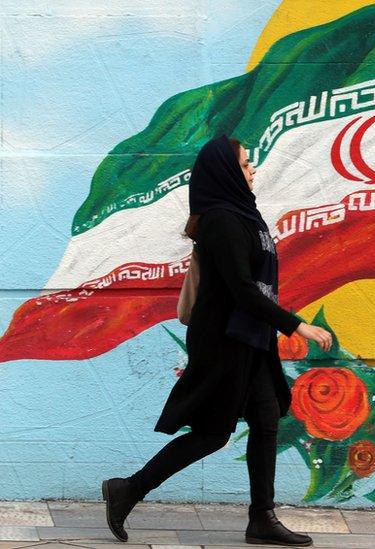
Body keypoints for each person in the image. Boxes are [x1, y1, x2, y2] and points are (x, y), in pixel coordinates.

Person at [100, 135, 333, 546]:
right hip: (225, 342)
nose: (252, 169)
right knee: (213, 433)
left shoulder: (245, 215)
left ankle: (262, 518)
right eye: (245, 164)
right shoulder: (223, 220)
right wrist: (296, 326)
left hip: (250, 339)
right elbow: (241, 290)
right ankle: (128, 490)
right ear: (226, 172)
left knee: (265, 420)